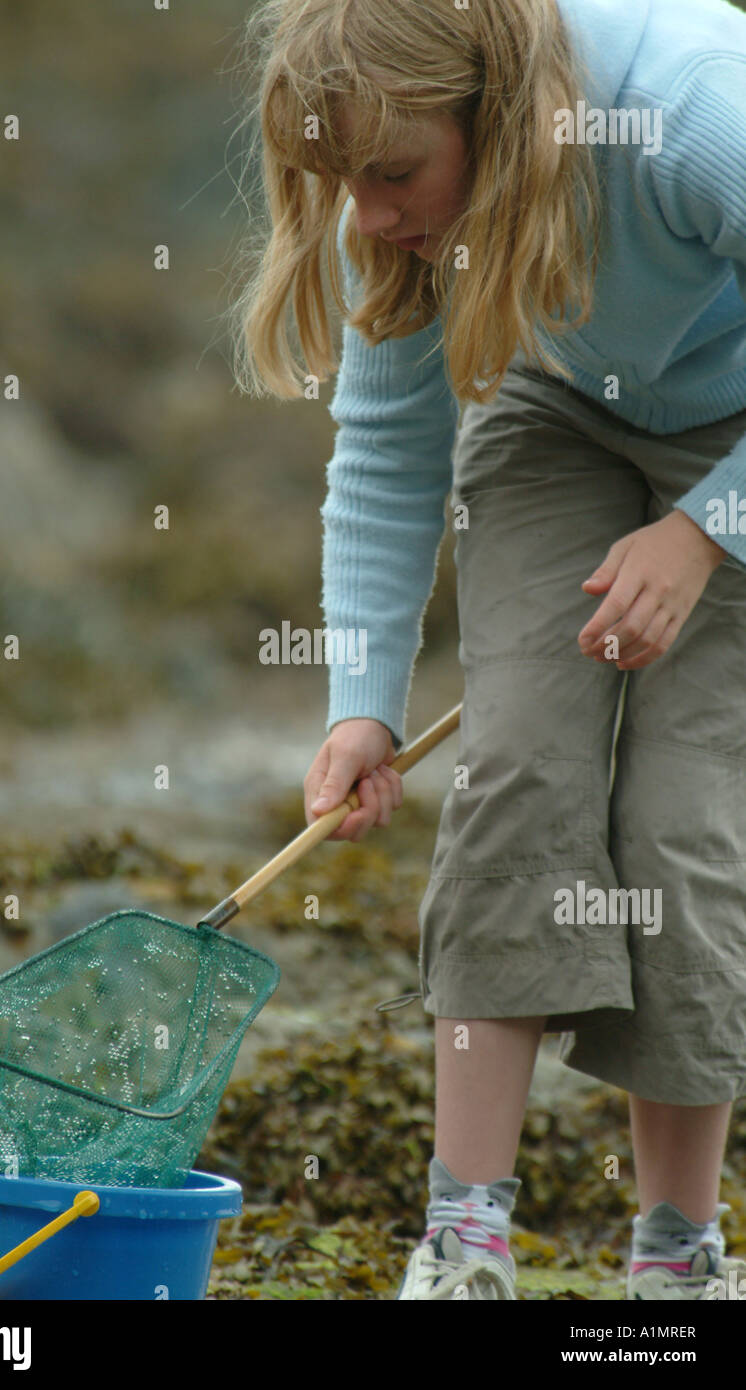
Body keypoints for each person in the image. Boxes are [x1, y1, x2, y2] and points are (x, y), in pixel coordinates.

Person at [231, 0, 746, 1300]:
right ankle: (461, 1242)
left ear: (490, 117)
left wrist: (700, 531)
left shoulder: (692, 119)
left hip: (731, 436)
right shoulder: (393, 200)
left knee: (681, 817)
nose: (369, 215)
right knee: (518, 762)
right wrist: (361, 702)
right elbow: (389, 456)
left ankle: (676, 1255)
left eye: (394, 176)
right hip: (555, 406)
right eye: (344, 184)